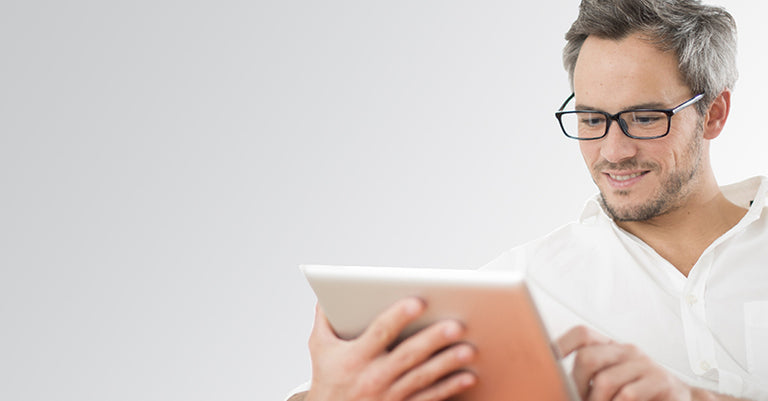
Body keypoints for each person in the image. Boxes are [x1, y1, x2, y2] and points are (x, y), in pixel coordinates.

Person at [287, 0, 768, 400]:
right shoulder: (520, 289)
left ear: (714, 114)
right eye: (591, 119)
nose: (613, 152)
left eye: (643, 119)